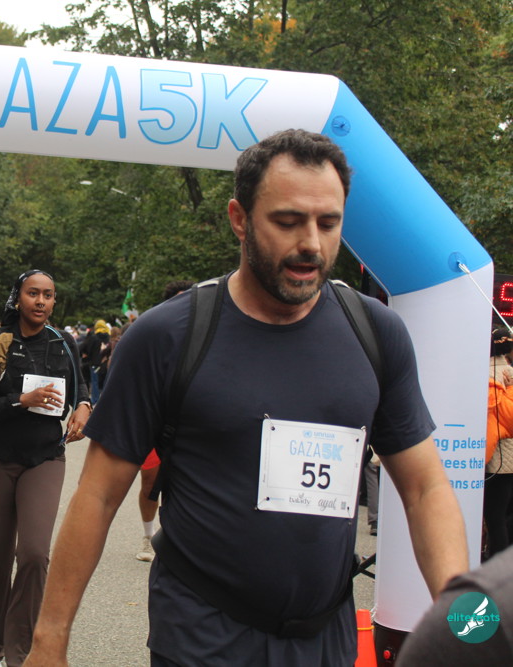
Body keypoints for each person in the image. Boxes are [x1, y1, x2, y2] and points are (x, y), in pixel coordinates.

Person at [24, 129, 468, 667]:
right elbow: (97, 496)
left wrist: (471, 627)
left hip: (325, 640)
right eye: (288, 221)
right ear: (239, 218)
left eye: (328, 223)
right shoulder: (167, 337)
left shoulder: (376, 333)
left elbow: (424, 489)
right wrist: (49, 642)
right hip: (202, 638)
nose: (312, 243)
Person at [0, 270, 91, 667]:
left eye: (48, 295)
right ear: (18, 297)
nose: (40, 301)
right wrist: (23, 400)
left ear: (54, 301)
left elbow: (81, 387)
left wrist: (84, 407)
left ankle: (20, 654)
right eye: (33, 293)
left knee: (35, 554)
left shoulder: (63, 342)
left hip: (45, 458)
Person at [136, 280, 195, 562]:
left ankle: (177, 540)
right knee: (150, 483)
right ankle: (148, 537)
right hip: (154, 425)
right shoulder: (155, 338)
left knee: (187, 484)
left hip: (190, 427)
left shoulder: (207, 339)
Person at [485, 327, 513, 558]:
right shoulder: (508, 374)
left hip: (493, 457)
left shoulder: (484, 373)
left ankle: (497, 565)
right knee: (502, 514)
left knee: (493, 516)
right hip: (507, 458)